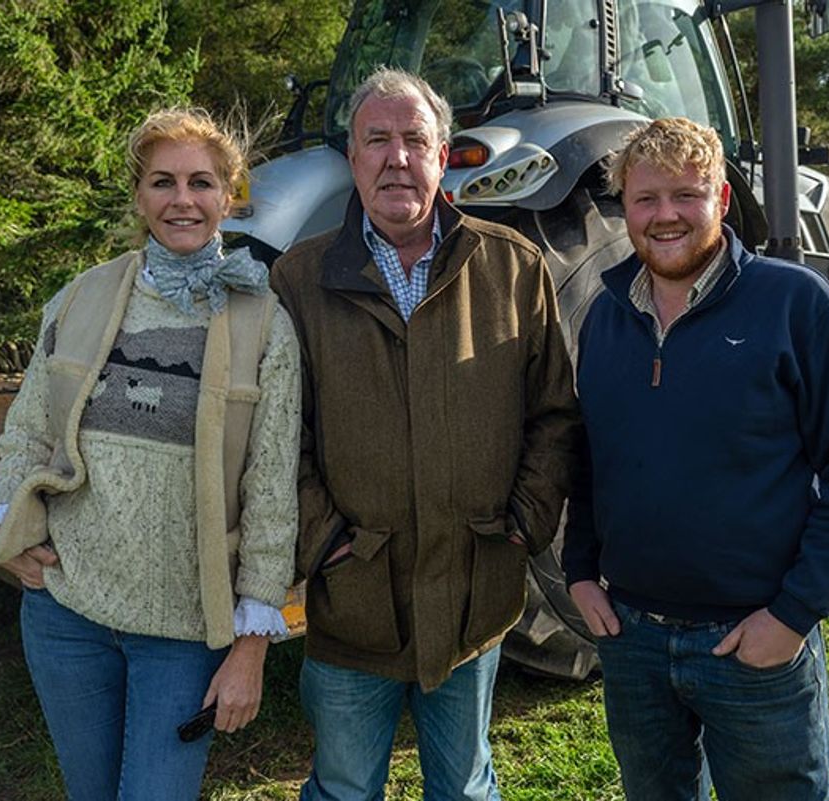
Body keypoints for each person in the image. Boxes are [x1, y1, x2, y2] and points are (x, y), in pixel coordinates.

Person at [563, 117, 829, 801]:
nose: (665, 216)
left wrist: (791, 616)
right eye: (646, 199)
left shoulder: (793, 302)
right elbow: (592, 456)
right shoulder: (605, 316)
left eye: (686, 195)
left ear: (720, 196)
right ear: (623, 206)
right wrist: (578, 573)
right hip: (632, 640)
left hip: (752, 645)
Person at [270, 67, 580, 801]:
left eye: (415, 138)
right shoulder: (300, 278)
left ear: (444, 154)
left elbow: (554, 414)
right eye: (377, 139)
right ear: (352, 158)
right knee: (344, 786)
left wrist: (522, 526)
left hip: (475, 591)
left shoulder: (512, 266)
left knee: (465, 786)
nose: (397, 156)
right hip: (355, 602)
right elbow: (280, 438)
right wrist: (324, 543)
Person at [0, 108, 300, 801]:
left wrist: (251, 646)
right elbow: (28, 430)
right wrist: (3, 527)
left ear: (229, 193)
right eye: (163, 182)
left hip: (183, 634)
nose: (182, 199)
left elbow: (272, 489)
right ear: (139, 195)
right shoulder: (84, 296)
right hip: (67, 616)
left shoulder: (264, 322)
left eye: (201, 182)